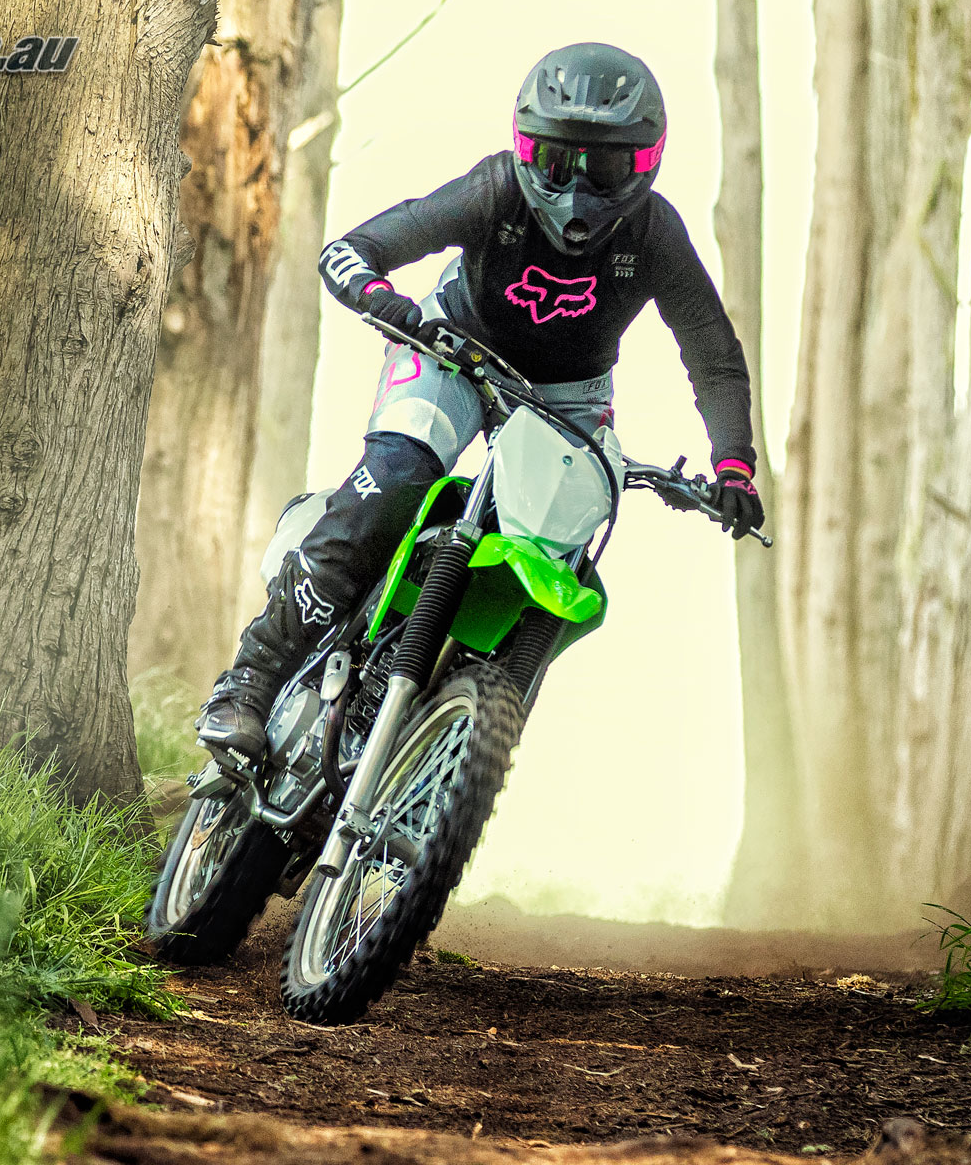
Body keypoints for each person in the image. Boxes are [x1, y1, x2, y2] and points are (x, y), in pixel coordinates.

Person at [197, 41, 764, 761]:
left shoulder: (657, 234)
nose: (575, 192)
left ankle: (449, 746)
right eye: (555, 162)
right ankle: (248, 682)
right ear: (524, 149)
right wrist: (377, 293)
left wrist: (734, 462)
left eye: (604, 168)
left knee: (564, 555)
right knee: (398, 479)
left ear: (645, 165)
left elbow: (711, 350)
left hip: (570, 397)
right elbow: (357, 247)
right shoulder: (495, 190)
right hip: (453, 350)